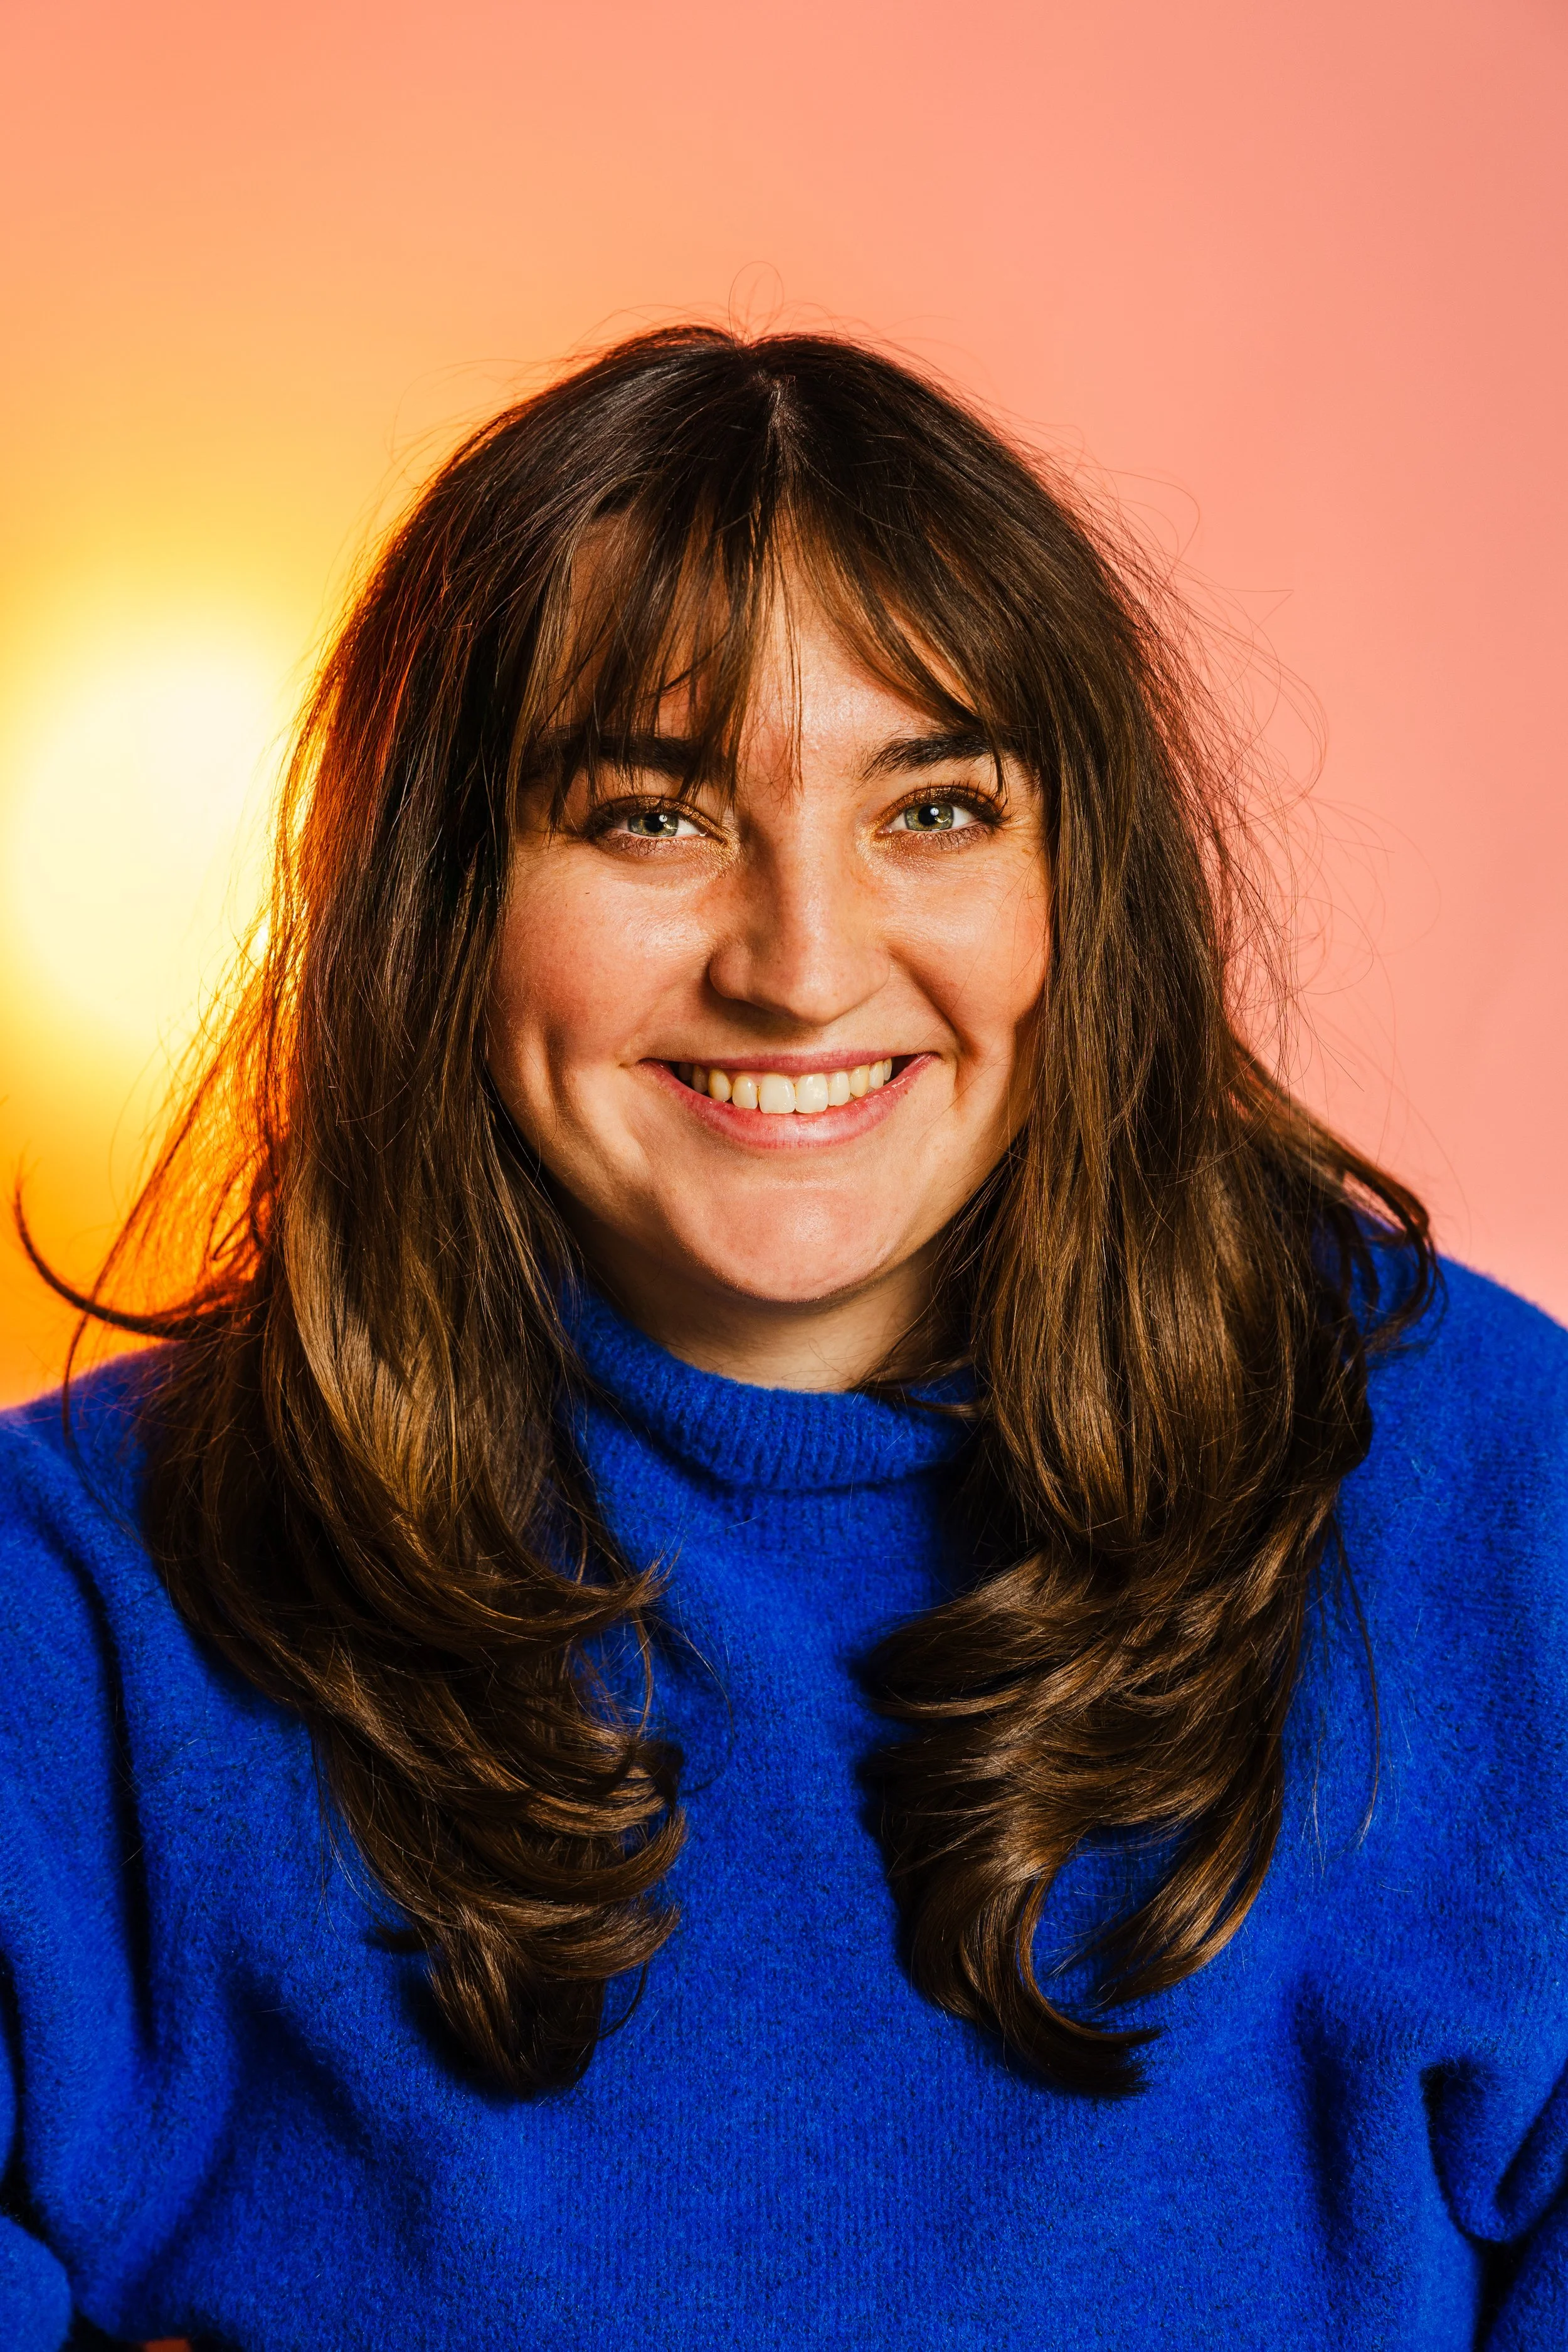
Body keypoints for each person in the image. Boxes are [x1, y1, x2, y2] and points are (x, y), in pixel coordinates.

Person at [1, 326, 1564, 2352]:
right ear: (438, 895)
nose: (803, 965)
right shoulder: (85, 1587)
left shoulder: (1484, 1486)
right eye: (653, 813)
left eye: (932, 809)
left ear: (1073, 885)